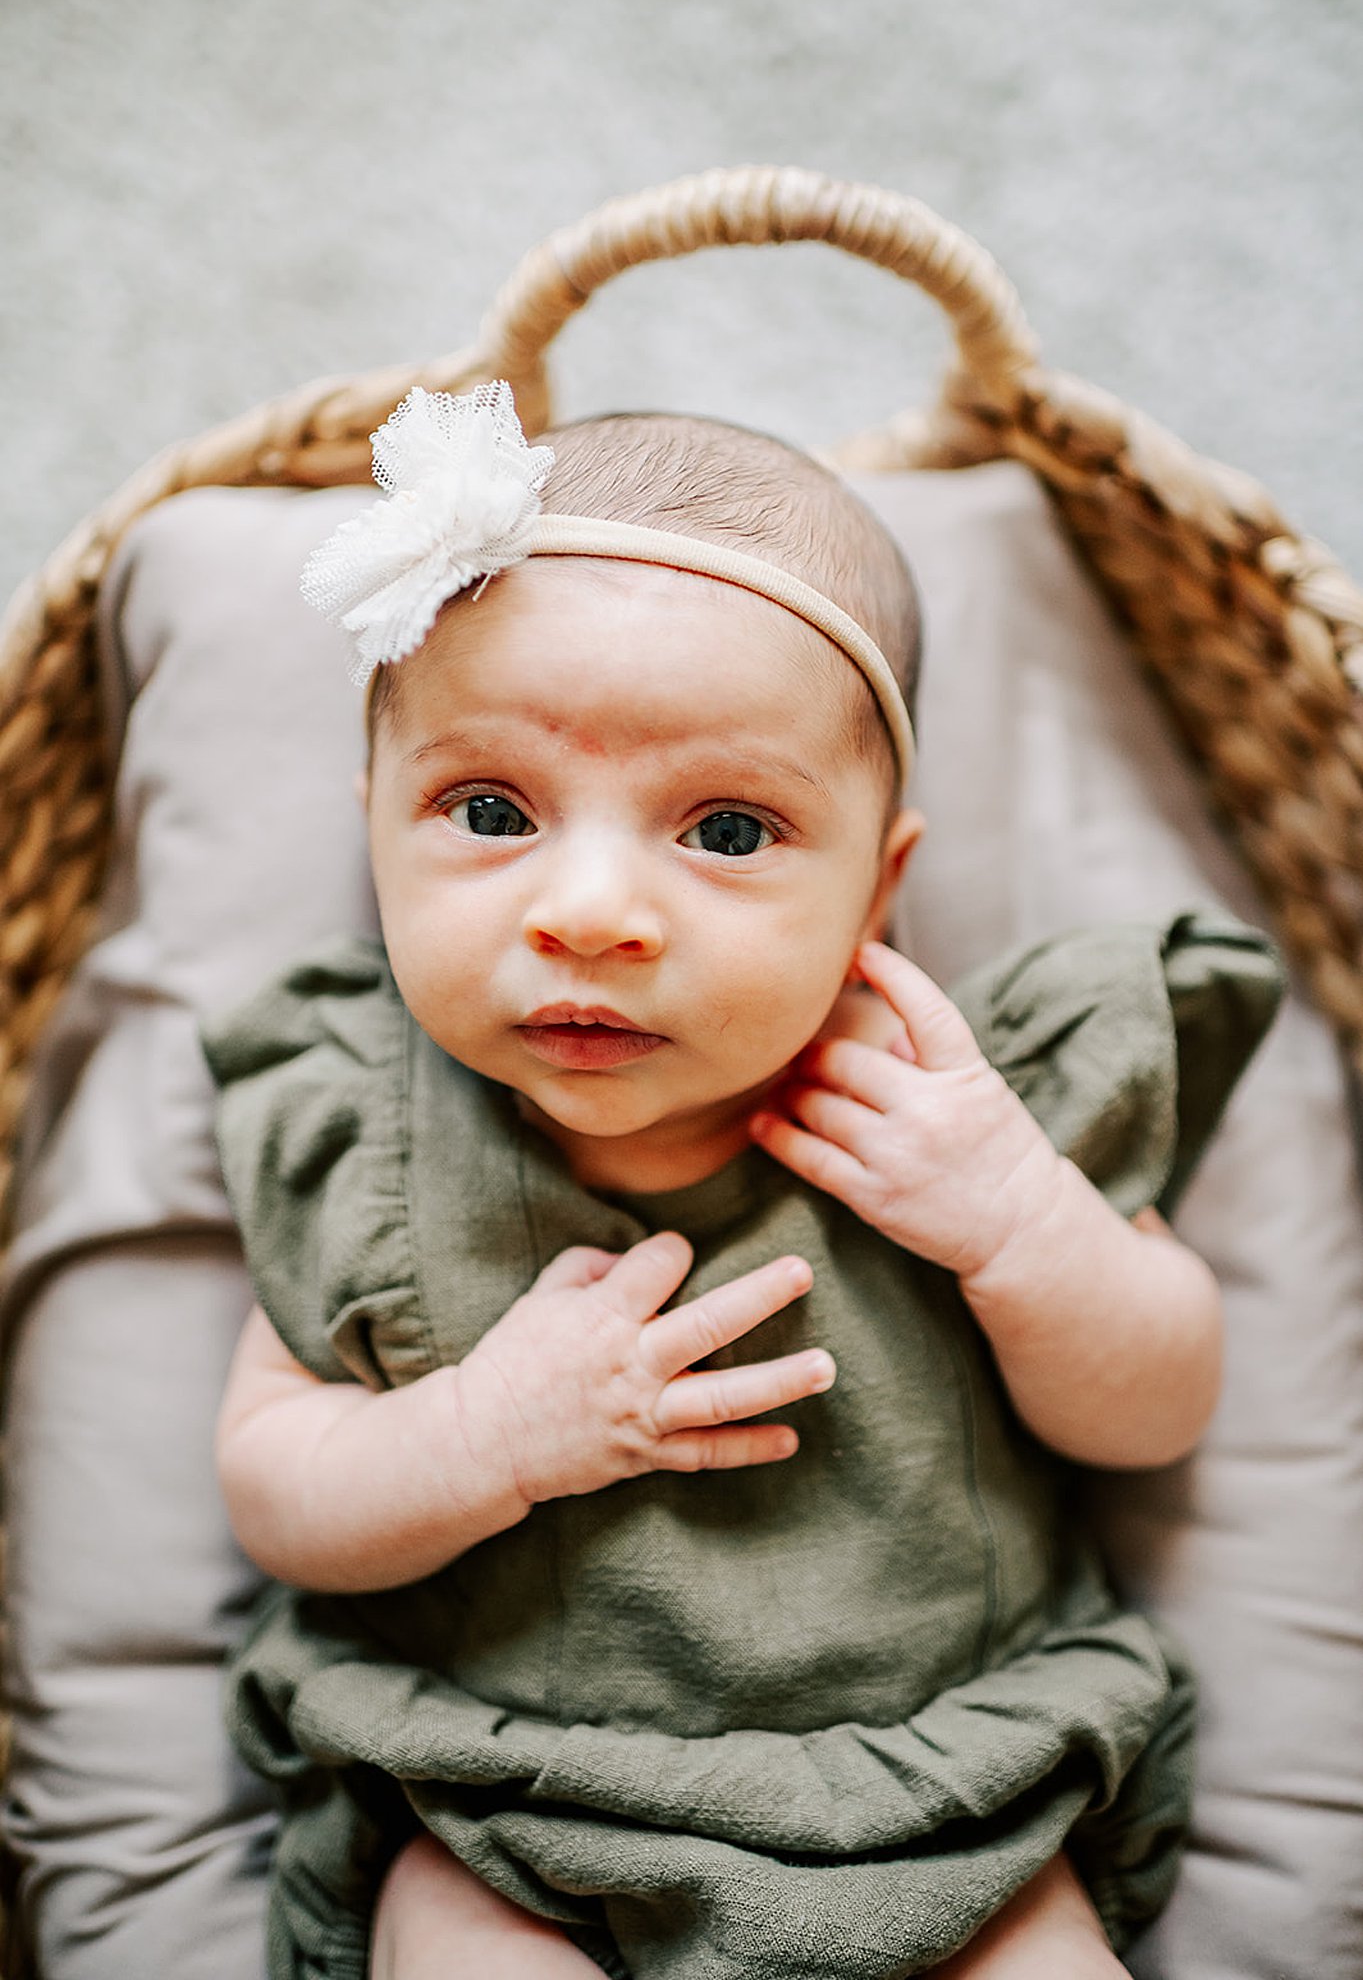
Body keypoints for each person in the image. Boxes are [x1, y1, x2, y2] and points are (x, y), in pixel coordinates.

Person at [204, 382, 1281, 1980]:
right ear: (373, 821)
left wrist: (1021, 1224)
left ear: (878, 887)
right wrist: (487, 1435)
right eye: (488, 810)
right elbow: (279, 1487)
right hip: (511, 1806)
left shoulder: (959, 1112)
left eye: (726, 828)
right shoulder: (362, 1128)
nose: (591, 909)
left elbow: (1152, 1409)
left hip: (947, 1796)